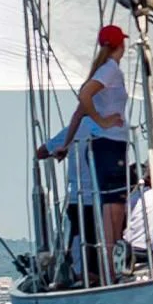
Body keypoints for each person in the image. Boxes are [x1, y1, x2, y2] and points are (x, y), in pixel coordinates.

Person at [38, 23, 134, 274]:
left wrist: (66, 144)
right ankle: (110, 269)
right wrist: (103, 121)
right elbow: (84, 96)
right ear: (120, 46)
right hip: (111, 143)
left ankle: (103, 268)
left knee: (108, 209)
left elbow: (79, 112)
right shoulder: (111, 70)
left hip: (98, 160)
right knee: (114, 205)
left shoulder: (102, 71)